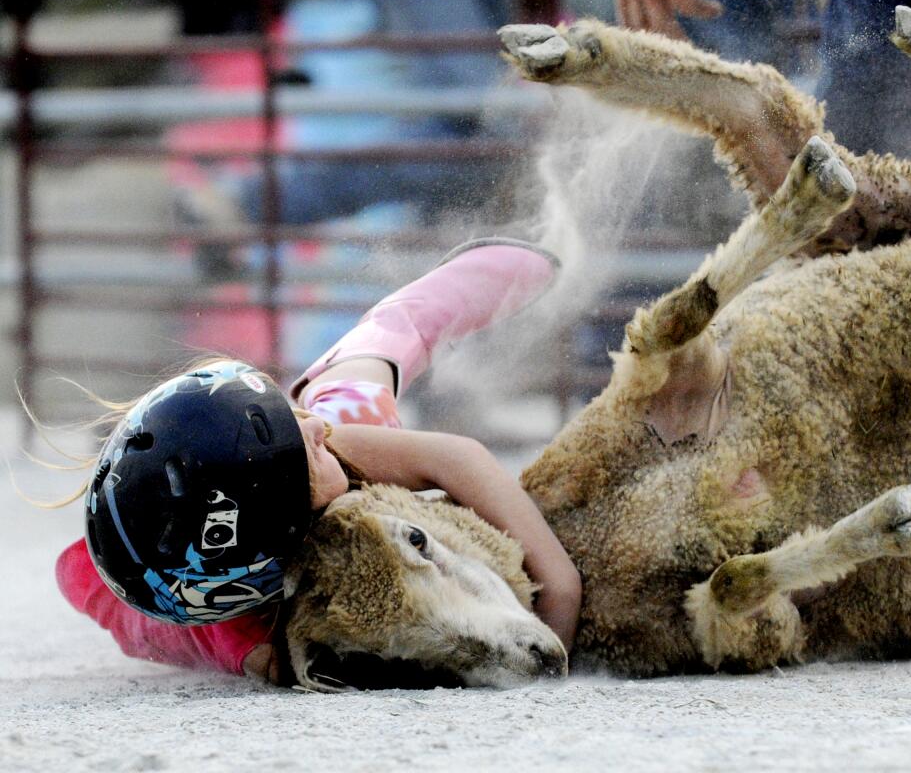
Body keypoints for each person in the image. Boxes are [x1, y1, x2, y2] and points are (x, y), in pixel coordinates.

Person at [55, 238, 582, 682]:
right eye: (303, 444)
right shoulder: (263, 645)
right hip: (159, 594)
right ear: (285, 524)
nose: (313, 426)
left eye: (285, 412)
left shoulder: (331, 439)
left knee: (361, 376)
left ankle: (406, 314)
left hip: (168, 563)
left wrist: (559, 589)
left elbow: (457, 459)